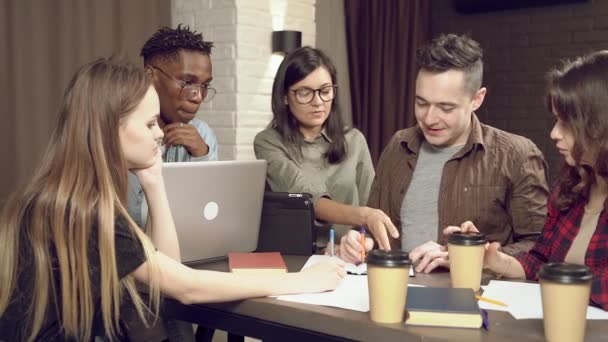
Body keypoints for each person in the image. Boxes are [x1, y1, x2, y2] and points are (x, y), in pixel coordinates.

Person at [0, 57, 346, 341]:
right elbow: (186, 286)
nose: (158, 134)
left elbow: (168, 265)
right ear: (110, 128)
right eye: (150, 123)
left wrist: (153, 180)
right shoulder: (86, 212)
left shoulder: (64, 197)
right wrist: (301, 281)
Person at [339, 33, 549, 273]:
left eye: (445, 107)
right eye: (421, 103)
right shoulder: (398, 145)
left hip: (475, 301)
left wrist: (465, 256)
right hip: (395, 292)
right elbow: (374, 227)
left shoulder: (517, 156)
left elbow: (540, 251)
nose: (429, 118)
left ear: (477, 99)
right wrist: (359, 241)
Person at [445, 50, 608, 310]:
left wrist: (558, 281)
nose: (554, 133)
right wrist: (496, 260)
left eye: (566, 124)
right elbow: (540, 262)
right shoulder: (569, 189)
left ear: (600, 127)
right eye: (556, 121)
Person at [254, 46, 394, 242]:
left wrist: (363, 241)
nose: (318, 101)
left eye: (325, 91)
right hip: (297, 258)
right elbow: (305, 195)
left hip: (348, 258)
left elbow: (370, 202)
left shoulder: (354, 140)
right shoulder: (268, 142)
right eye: (304, 93)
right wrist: (364, 215)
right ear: (284, 96)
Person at [128, 24, 219, 228]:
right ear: (150, 76)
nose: (198, 97)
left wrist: (202, 154)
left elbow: (211, 214)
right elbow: (131, 220)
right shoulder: (124, 132)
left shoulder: (203, 134)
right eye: (187, 82)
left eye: (204, 86)